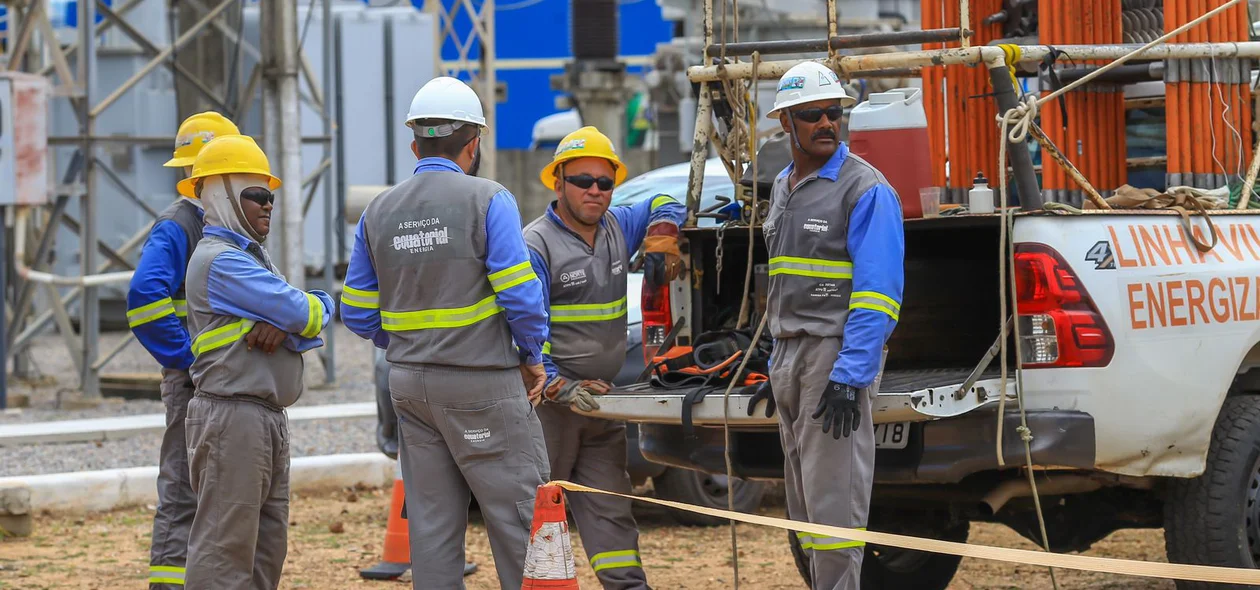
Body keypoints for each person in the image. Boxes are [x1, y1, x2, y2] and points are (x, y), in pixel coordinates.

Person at [340, 76, 551, 590]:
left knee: (432, 528)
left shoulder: (378, 211)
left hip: (411, 386)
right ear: (473, 143)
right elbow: (520, 295)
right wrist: (533, 355)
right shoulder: (489, 199)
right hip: (482, 384)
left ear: (416, 144)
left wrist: (406, 345)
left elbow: (358, 311)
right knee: (523, 516)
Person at [745, 61, 904, 590]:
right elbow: (784, 284)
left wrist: (850, 374)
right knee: (805, 510)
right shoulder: (786, 186)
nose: (827, 123)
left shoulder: (865, 189)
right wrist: (775, 361)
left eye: (834, 113)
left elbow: (878, 293)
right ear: (785, 122)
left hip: (833, 358)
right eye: (812, 115)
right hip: (791, 357)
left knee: (835, 512)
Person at [523, 126, 684, 590]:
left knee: (610, 505)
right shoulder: (536, 246)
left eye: (605, 182)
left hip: (601, 403)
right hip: (550, 407)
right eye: (582, 181)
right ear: (558, 183)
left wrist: (663, 232)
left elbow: (662, 201)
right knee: (538, 511)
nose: (595, 191)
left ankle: (629, 586)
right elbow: (524, 332)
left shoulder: (617, 225)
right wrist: (559, 385)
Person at [179, 134, 334, 589]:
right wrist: (298, 318)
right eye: (257, 196)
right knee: (224, 555)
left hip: (262, 416)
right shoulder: (221, 262)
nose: (269, 205)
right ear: (223, 196)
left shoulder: (254, 261)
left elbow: (312, 312)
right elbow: (307, 311)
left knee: (266, 550)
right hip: (234, 418)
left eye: (271, 197)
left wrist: (290, 323)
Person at [126, 111, 240, 589]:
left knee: (216, 489)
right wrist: (188, 358)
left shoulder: (223, 225)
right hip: (195, 379)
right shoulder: (180, 225)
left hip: (222, 379)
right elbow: (144, 296)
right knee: (182, 488)